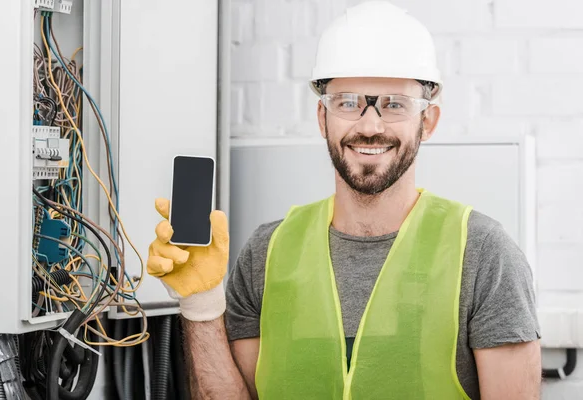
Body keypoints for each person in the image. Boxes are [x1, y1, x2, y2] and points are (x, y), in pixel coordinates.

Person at [147, 1, 541, 399]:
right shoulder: (266, 254)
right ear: (323, 118)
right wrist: (200, 306)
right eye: (348, 102)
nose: (370, 126)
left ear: (429, 121)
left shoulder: (484, 256)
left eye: (395, 104)